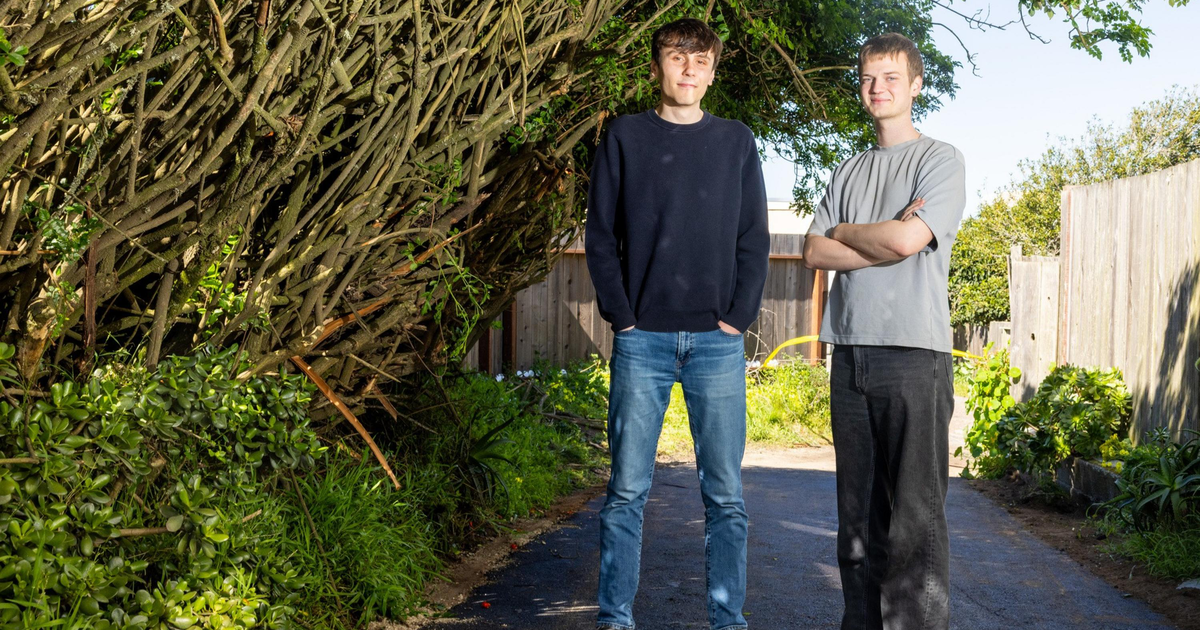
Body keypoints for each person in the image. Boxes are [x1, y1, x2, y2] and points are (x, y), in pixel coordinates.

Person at [584, 17, 770, 630]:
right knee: (626, 494)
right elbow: (601, 237)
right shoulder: (624, 137)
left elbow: (754, 239)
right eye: (678, 57)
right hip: (643, 341)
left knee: (726, 499)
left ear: (713, 72)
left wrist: (738, 318)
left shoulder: (737, 142)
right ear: (658, 65)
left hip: (716, 344)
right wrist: (624, 317)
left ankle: (726, 621)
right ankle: (614, 618)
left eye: (701, 61)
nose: (690, 69)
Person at [802, 32, 966, 630]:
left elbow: (906, 241)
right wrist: (864, 234)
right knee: (857, 523)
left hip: (914, 356)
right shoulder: (847, 169)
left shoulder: (939, 159)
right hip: (848, 356)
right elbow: (813, 251)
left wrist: (848, 233)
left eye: (891, 78)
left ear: (916, 85)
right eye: (870, 78)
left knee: (914, 521)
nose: (878, 89)